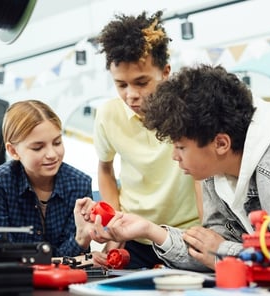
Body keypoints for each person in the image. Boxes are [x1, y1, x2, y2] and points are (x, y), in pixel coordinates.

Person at [77, 64, 270, 271]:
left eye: (181, 147)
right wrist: (150, 231)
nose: (175, 158)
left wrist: (224, 250)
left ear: (220, 143)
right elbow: (209, 251)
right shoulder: (218, 174)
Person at [91, 10, 202, 268]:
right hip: (133, 236)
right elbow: (105, 168)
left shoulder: (190, 109)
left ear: (165, 72)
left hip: (184, 235)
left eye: (141, 82)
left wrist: (208, 229)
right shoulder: (107, 115)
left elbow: (201, 176)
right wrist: (112, 222)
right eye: (121, 85)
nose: (131, 95)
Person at [0, 99, 93, 257]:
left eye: (57, 142)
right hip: (15, 279)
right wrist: (75, 244)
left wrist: (81, 240)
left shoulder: (80, 184)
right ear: (13, 151)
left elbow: (77, 258)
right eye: (38, 147)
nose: (52, 154)